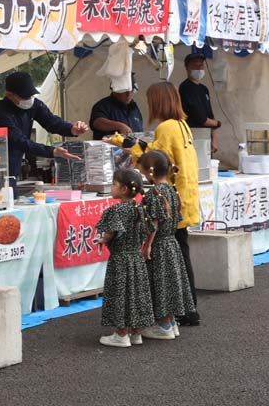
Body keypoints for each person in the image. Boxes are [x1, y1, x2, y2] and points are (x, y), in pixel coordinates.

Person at [105, 81, 202, 326]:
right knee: (181, 254)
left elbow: (151, 159)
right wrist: (127, 142)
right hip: (183, 197)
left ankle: (180, 311)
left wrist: (121, 143)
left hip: (169, 202)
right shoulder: (182, 124)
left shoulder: (166, 127)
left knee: (171, 260)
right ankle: (186, 309)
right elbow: (154, 151)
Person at [0, 71, 86, 185]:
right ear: (9, 95)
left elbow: (51, 121)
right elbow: (19, 141)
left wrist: (71, 129)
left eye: (31, 95)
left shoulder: (34, 104)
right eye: (25, 96)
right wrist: (52, 151)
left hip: (16, 165)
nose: (29, 99)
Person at [93, 167, 154, 348]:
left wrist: (102, 239)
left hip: (120, 259)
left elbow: (112, 232)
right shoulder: (140, 208)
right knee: (135, 293)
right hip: (136, 258)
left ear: (124, 189)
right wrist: (146, 246)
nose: (111, 187)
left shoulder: (117, 210)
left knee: (119, 293)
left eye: (114, 184)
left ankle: (120, 334)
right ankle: (136, 333)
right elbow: (152, 228)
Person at [138, 150, 194, 341]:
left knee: (159, 283)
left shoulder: (154, 194)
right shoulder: (171, 189)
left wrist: (147, 246)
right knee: (170, 282)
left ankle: (163, 325)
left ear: (150, 172)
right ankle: (170, 322)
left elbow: (153, 223)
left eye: (143, 172)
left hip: (160, 244)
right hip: (172, 242)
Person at [179, 54, 220, 154]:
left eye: (201, 66)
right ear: (187, 68)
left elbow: (210, 114)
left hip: (206, 135)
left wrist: (214, 138)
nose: (199, 68)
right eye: (194, 66)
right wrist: (218, 123)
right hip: (192, 134)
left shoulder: (204, 89)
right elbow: (200, 118)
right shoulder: (185, 88)